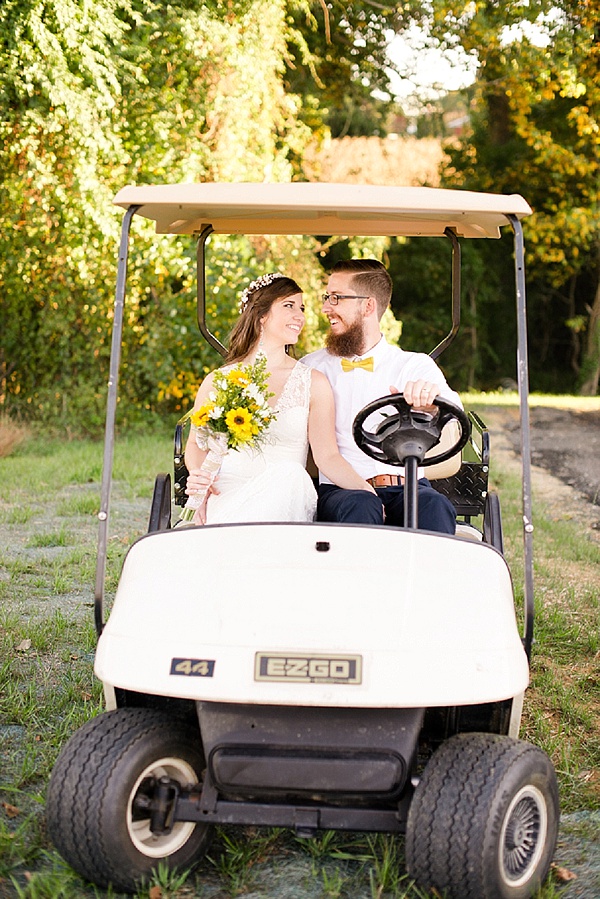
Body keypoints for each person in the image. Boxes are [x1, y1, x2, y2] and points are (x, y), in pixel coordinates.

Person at [184, 272, 376, 524]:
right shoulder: (218, 380)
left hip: (288, 495)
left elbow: (327, 457)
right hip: (228, 491)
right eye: (289, 306)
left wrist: (366, 491)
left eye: (302, 308)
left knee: (290, 474)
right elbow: (197, 445)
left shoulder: (313, 382)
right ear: (261, 315)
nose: (300, 316)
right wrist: (199, 478)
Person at [301, 259, 461, 534]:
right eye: (327, 297)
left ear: (368, 306)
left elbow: (453, 407)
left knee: (434, 506)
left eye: (336, 298)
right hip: (343, 491)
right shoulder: (311, 368)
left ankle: (431, 577)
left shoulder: (413, 365)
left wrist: (430, 405)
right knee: (362, 507)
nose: (326, 307)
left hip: (408, 486)